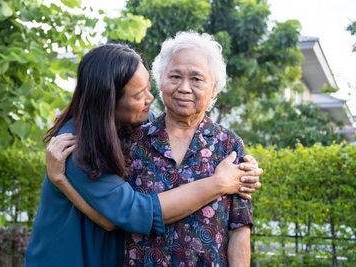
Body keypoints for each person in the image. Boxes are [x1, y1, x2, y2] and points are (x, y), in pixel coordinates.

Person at [26, 43, 262, 267]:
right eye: (139, 94)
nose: (150, 99)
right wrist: (219, 183)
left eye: (148, 87)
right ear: (110, 102)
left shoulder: (140, 125)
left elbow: (239, 225)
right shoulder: (77, 146)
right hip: (70, 257)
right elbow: (129, 214)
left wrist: (244, 174)